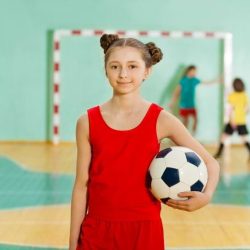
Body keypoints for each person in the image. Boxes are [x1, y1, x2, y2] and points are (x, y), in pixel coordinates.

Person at [69, 34, 220, 250]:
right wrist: (73, 243)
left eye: (132, 66)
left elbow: (211, 164)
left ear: (146, 71)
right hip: (97, 231)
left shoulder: (161, 120)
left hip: (145, 232)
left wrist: (206, 197)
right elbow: (81, 187)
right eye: (115, 66)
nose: (123, 74)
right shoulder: (87, 122)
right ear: (106, 70)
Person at [169, 65, 218, 133]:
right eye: (194, 71)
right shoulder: (183, 81)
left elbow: (207, 83)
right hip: (184, 105)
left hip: (192, 105)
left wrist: (217, 80)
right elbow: (176, 93)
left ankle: (191, 135)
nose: (195, 73)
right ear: (189, 71)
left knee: (196, 120)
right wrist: (172, 102)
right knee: (185, 121)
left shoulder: (194, 80)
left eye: (195, 71)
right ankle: (183, 136)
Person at [214, 78, 250, 158]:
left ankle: (219, 154)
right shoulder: (244, 95)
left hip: (232, 120)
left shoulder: (232, 96)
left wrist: (232, 120)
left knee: (223, 137)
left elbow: (230, 109)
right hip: (241, 121)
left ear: (234, 86)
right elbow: (247, 109)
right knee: (244, 139)